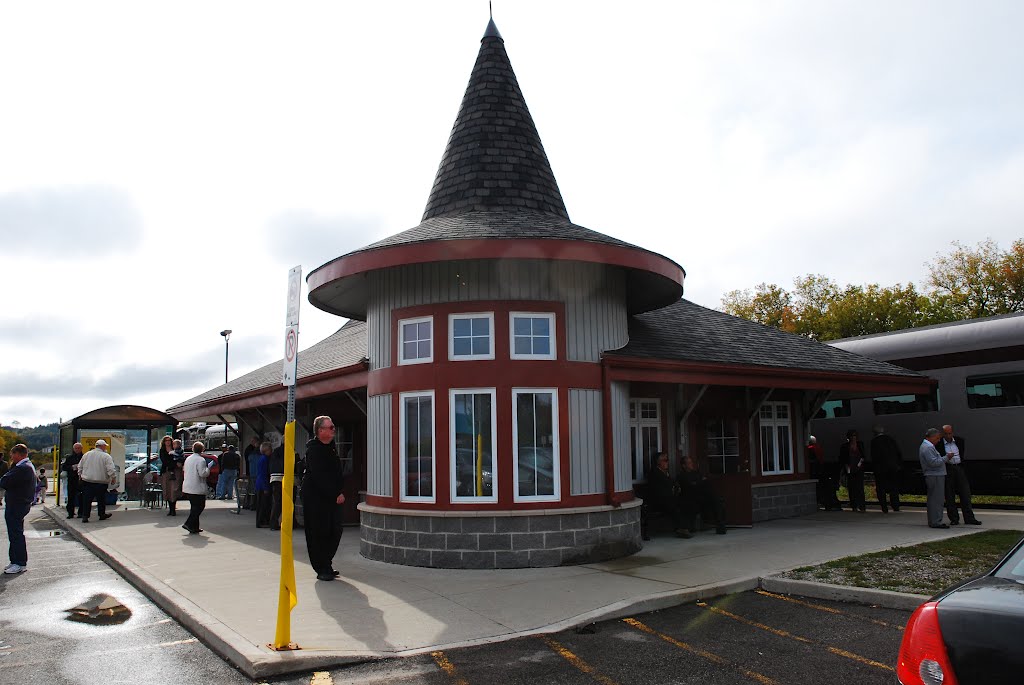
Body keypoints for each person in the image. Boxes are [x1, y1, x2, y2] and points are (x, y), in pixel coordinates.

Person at [301, 416, 346, 580]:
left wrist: (340, 490)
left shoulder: (331, 448)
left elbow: (336, 473)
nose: (334, 430)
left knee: (335, 530)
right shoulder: (314, 450)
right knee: (319, 533)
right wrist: (335, 493)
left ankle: (327, 563)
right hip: (316, 500)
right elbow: (320, 477)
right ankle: (321, 568)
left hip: (332, 498)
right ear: (320, 431)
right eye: (331, 427)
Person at [1, 445, 35, 573]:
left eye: (13, 454)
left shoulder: (22, 468)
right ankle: (15, 561)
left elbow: (4, 481)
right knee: (14, 533)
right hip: (19, 503)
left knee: (16, 534)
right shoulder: (26, 466)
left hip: (17, 504)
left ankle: (19, 562)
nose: (11, 457)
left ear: (19, 454)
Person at [645, 452, 692, 538]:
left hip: (667, 499)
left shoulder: (665, 472)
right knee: (675, 504)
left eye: (667, 460)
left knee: (684, 502)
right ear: (658, 462)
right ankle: (682, 528)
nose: (667, 462)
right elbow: (668, 484)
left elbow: (673, 483)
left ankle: (685, 527)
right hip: (657, 501)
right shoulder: (655, 472)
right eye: (665, 460)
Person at [941, 424, 981, 526]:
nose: (948, 436)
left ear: (952, 433)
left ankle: (969, 518)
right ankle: (954, 518)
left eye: (950, 433)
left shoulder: (959, 441)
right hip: (948, 469)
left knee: (965, 494)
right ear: (943, 434)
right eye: (946, 434)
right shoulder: (939, 444)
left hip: (959, 467)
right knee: (949, 495)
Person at [678, 455, 727, 534]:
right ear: (684, 465)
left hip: (701, 496)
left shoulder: (696, 473)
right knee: (711, 494)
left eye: (691, 462)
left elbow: (701, 481)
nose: (692, 464)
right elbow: (690, 486)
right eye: (689, 463)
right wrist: (699, 482)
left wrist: (697, 482)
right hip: (690, 499)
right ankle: (718, 524)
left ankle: (720, 525)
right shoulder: (681, 476)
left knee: (716, 500)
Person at [919, 428, 951, 528]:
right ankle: (936, 521)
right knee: (937, 499)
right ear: (931, 437)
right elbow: (934, 463)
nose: (938, 440)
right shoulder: (927, 448)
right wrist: (947, 457)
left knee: (935, 499)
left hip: (934, 475)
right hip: (935, 475)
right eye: (937, 438)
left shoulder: (927, 446)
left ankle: (935, 520)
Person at [78, 439, 116, 523]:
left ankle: (85, 516)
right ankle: (101, 514)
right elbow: (110, 469)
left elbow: (80, 466)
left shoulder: (86, 455)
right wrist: (113, 478)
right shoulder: (106, 456)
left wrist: (80, 475)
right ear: (102, 446)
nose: (105, 447)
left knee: (87, 500)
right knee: (101, 499)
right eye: (105, 446)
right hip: (101, 482)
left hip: (87, 481)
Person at [870, 425, 902, 513]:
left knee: (881, 488)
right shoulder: (890, 439)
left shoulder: (874, 442)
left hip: (880, 469)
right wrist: (897, 464)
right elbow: (898, 452)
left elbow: (874, 456)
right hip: (892, 467)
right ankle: (896, 506)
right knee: (894, 487)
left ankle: (884, 507)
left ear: (874, 433)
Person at [181, 442, 211, 534]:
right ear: (202, 449)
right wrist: (208, 468)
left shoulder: (188, 459)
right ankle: (188, 523)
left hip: (188, 486)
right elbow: (203, 474)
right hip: (197, 487)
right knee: (200, 506)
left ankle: (195, 527)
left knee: (194, 507)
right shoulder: (201, 460)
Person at [839, 430, 867, 512]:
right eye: (851, 436)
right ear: (848, 437)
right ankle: (854, 505)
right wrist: (847, 468)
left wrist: (859, 465)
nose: (853, 437)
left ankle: (862, 506)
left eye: (854, 435)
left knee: (860, 488)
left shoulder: (860, 444)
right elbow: (842, 458)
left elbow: (863, 456)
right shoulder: (844, 446)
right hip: (849, 469)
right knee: (851, 488)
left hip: (859, 469)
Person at [158, 436, 181, 516]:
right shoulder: (162, 450)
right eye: (166, 441)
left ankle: (173, 508)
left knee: (174, 490)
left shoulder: (176, 449)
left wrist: (178, 464)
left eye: (169, 440)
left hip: (175, 472)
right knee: (167, 489)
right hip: (166, 471)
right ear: (164, 442)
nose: (168, 442)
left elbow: (180, 458)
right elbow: (164, 460)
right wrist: (174, 464)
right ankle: (170, 509)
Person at [61, 443, 84, 519]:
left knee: (81, 497)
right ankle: (70, 513)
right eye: (76, 448)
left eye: (78, 448)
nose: (77, 450)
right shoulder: (69, 458)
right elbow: (64, 467)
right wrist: (72, 467)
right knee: (71, 496)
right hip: (71, 480)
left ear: (81, 448)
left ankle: (81, 512)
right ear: (73, 449)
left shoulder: (84, 457)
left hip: (81, 480)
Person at [255, 442, 272, 528]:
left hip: (259, 483)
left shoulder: (261, 458)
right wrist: (266, 487)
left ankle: (260, 521)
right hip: (263, 484)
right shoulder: (265, 460)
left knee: (260, 504)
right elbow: (264, 474)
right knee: (263, 504)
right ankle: (262, 521)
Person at [268, 444, 285, 530]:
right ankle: (276, 523)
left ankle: (273, 523)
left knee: (277, 502)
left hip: (274, 478)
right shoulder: (289, 451)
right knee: (285, 502)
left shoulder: (275, 452)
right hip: (283, 477)